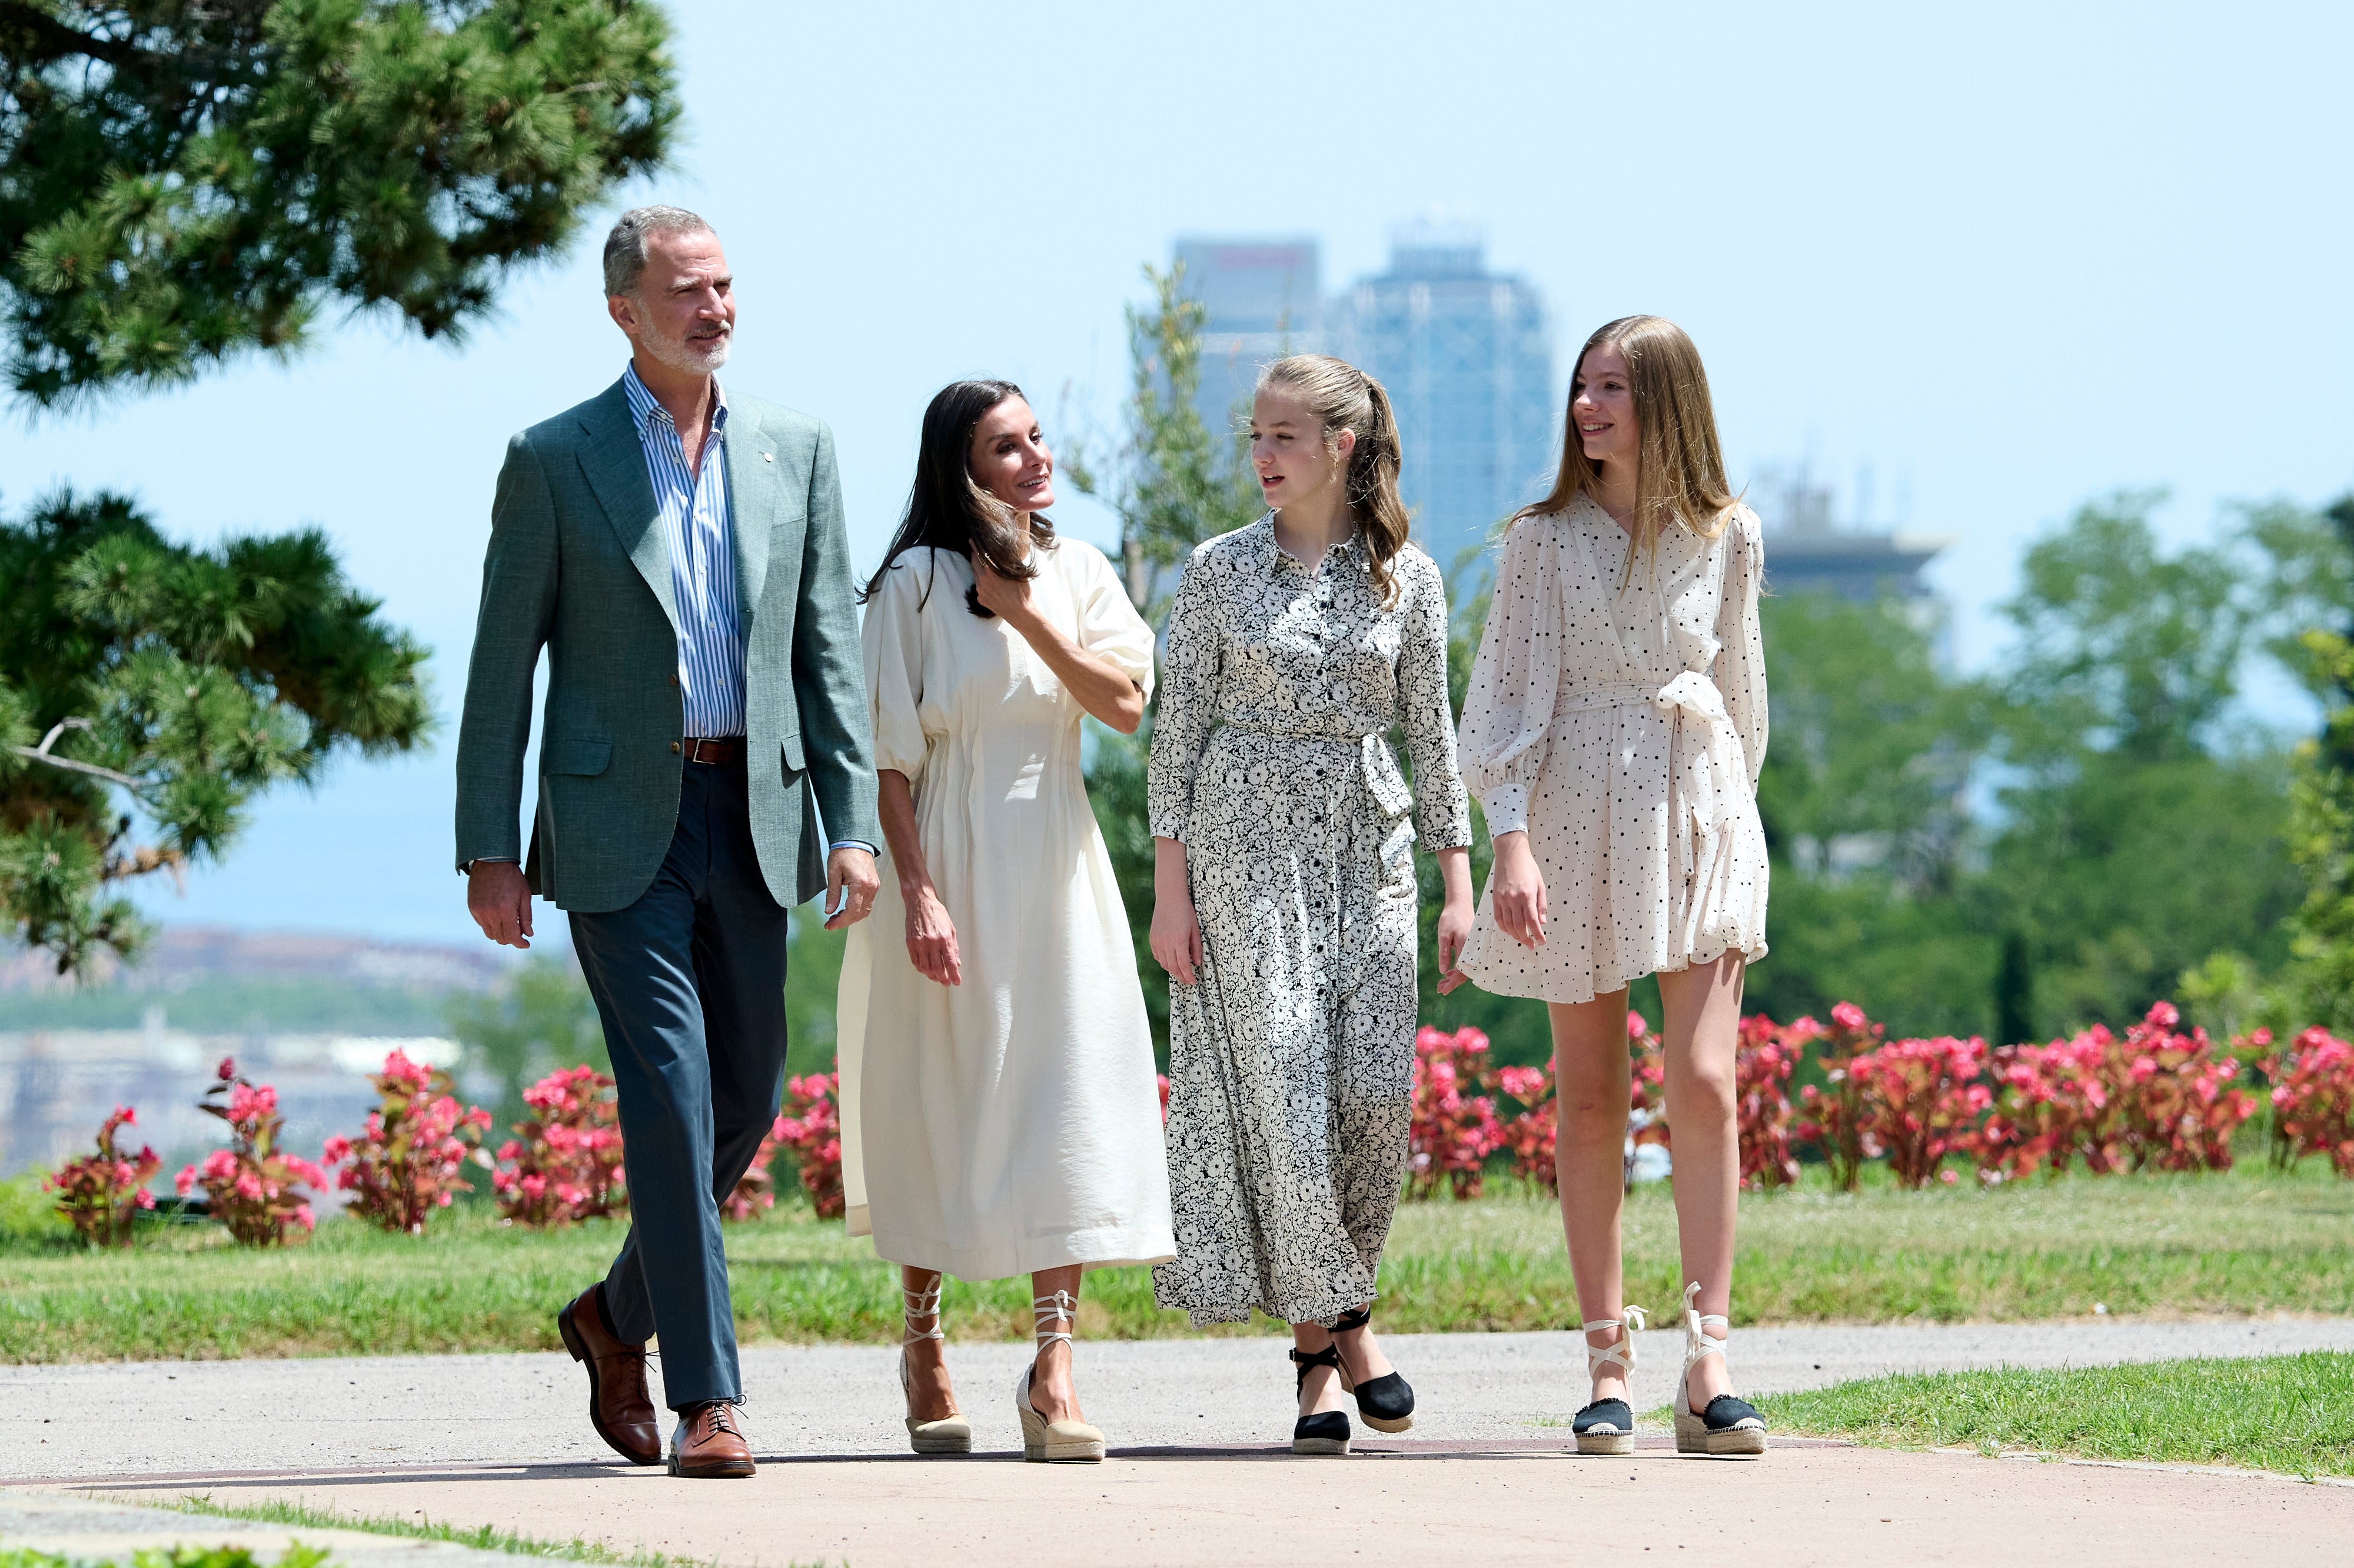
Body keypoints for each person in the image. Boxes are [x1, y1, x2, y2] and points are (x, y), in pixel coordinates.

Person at [454, 206, 882, 1479]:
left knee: (746, 1094)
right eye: (686, 291)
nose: (715, 309)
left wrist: (848, 824)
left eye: (725, 286)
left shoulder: (796, 449)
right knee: (669, 1096)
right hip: (607, 827)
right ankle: (710, 1400)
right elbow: (498, 671)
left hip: (753, 813)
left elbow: (826, 653)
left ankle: (608, 1316)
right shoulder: (554, 457)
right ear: (625, 312)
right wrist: (489, 844)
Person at [1448, 314, 1770, 1458]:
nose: (1586, 409)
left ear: (1665, 402)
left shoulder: (1730, 533)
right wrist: (1509, 842)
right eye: (1580, 388)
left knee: (1701, 1079)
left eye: (1611, 390)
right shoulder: (1537, 541)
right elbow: (1495, 707)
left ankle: (1706, 1355)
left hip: (1698, 800)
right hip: (1571, 809)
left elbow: (1741, 694)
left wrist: (1729, 819)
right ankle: (1603, 1360)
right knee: (1587, 1093)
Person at [837, 379, 1173, 1464]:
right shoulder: (912, 588)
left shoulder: (1078, 574)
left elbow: (1125, 705)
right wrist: (920, 891)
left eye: (1036, 439)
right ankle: (923, 1337)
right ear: (962, 467)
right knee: (941, 1091)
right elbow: (889, 760)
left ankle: (1054, 1361)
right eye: (1005, 446)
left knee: (1062, 1095)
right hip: (946, 853)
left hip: (1058, 859)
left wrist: (1026, 609)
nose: (1034, 458)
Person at [1147, 354, 1475, 1457]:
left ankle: (1324, 1332)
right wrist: (1170, 888)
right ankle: (1338, 1348)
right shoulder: (1216, 569)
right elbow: (1176, 731)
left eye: (1284, 435)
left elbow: (1434, 736)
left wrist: (1458, 880)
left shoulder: (1410, 580)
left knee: (1377, 1092)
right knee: (1284, 1086)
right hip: (1243, 839)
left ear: (1341, 444)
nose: (1262, 456)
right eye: (1255, 435)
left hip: (1367, 843)